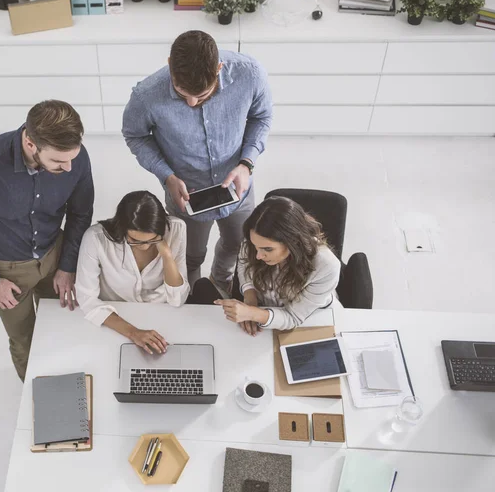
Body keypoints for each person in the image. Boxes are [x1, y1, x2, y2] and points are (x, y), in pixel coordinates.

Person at [0, 100, 94, 381]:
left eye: (71, 159)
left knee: (63, 326)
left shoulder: (74, 157)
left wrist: (67, 265)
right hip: (8, 270)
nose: (68, 168)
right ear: (30, 143)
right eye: (57, 161)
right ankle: (37, 395)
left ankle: (66, 383)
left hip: (55, 254)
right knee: (24, 340)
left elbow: (80, 213)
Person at [122, 30, 272, 297]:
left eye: (202, 96)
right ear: (170, 64)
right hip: (185, 195)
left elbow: (261, 118)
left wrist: (247, 164)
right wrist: (166, 175)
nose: (191, 103)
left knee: (238, 245)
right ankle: (193, 293)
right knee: (190, 255)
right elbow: (135, 136)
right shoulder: (145, 96)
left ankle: (220, 281)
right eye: (182, 94)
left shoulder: (250, 74)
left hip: (238, 188)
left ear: (219, 69)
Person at [75, 191, 190, 355]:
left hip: (163, 315)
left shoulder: (177, 228)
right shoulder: (95, 238)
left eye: (152, 240)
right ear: (121, 227)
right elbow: (87, 300)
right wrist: (133, 333)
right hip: (115, 319)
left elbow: (178, 298)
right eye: (135, 241)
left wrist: (167, 255)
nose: (144, 246)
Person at [214, 196, 340, 335]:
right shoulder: (256, 239)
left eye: (268, 249)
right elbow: (245, 264)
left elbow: (293, 317)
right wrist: (250, 297)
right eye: (255, 247)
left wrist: (253, 314)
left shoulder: (327, 266)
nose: (258, 256)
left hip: (311, 319)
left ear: (293, 242)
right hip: (266, 312)